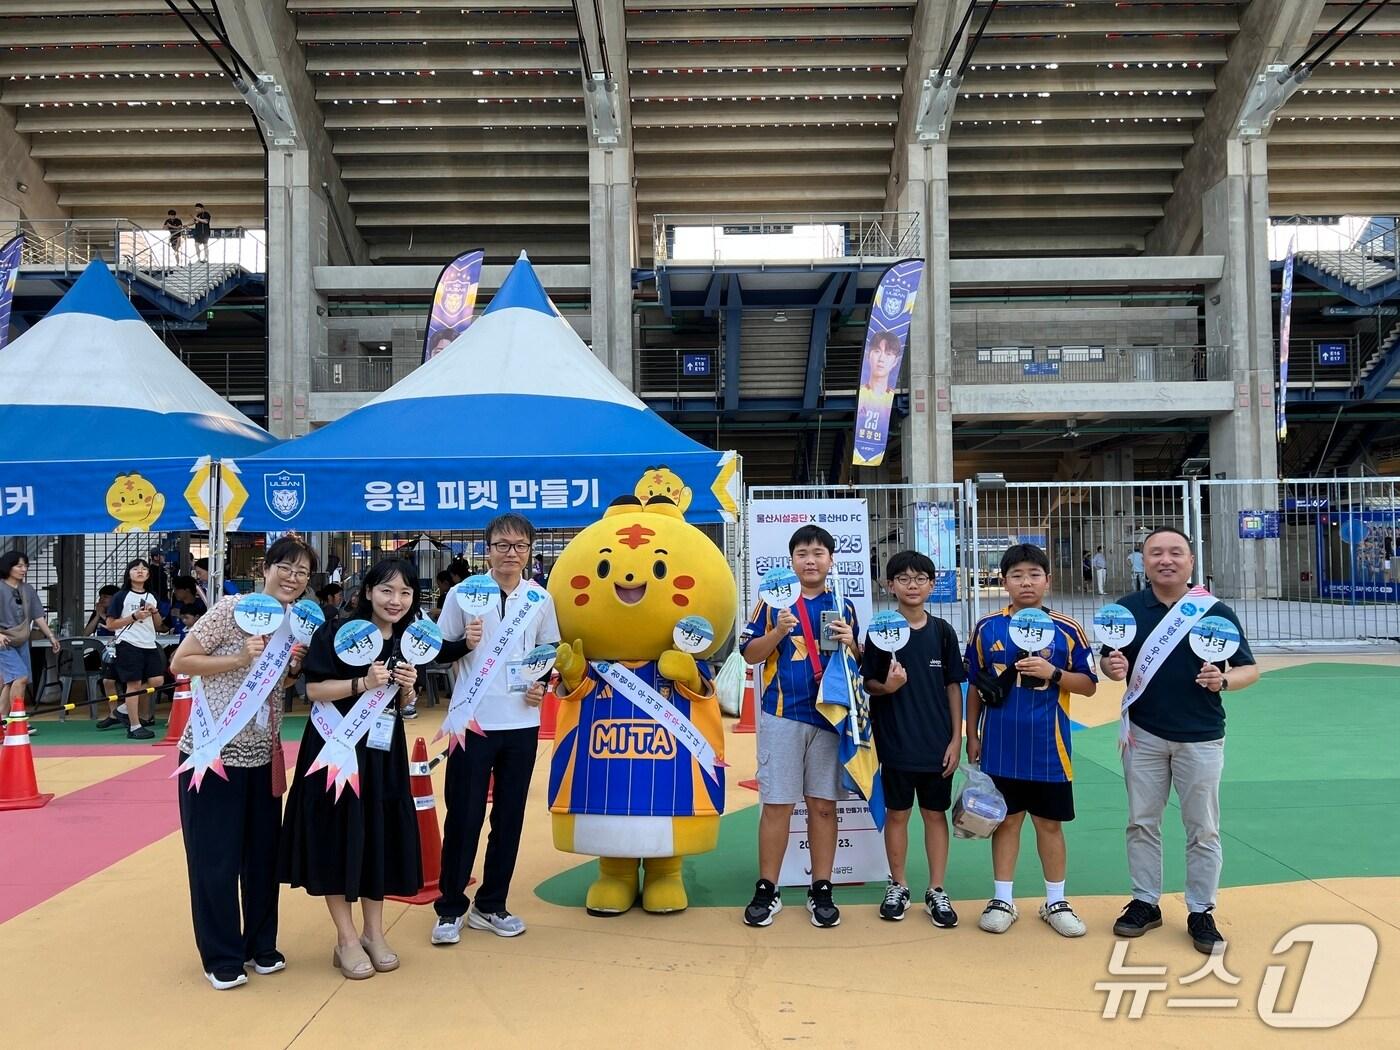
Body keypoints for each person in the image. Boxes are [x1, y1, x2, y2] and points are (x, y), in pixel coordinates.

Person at [279, 558, 451, 979]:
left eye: (406, 592)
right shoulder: (337, 632)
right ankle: (346, 938)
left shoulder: (412, 642)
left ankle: (374, 933)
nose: (396, 600)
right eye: (387, 590)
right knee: (337, 836)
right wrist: (362, 684)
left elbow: (403, 706)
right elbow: (314, 689)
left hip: (381, 754)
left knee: (378, 836)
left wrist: (408, 692)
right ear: (368, 591)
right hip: (334, 750)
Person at [1099, 526, 1259, 955]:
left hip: (1201, 737)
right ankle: (1145, 902)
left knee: (1203, 828)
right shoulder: (1127, 609)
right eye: (1156, 553)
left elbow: (1249, 669)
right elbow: (1109, 662)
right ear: (1143, 561)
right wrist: (1111, 669)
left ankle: (1200, 910)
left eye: (1175, 553)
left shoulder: (1214, 611)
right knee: (1141, 821)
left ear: (1191, 560)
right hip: (1145, 735)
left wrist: (1223, 679)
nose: (1165, 560)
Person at [169, 535, 315, 990]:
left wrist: (292, 669)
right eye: (286, 568)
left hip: (262, 755)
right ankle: (221, 955)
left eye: (303, 573)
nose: (293, 578)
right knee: (215, 858)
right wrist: (237, 656)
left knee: (261, 858)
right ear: (266, 568)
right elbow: (180, 661)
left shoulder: (294, 624)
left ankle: (260, 945)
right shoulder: (230, 610)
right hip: (213, 754)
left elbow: (277, 688)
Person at [431, 513, 560, 944]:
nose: (511, 553)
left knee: (509, 818)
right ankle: (450, 908)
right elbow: (437, 653)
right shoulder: (463, 594)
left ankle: (492, 904)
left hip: (522, 723)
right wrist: (461, 644)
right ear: (487, 549)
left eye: (520, 546)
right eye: (502, 545)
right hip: (472, 723)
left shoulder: (539, 598)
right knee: (464, 817)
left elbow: (550, 652)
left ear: (529, 551)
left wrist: (543, 683)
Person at [965, 543, 1098, 938]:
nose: (1026, 582)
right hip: (999, 746)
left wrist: (1052, 672)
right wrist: (971, 734)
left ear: (1047, 580)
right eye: (1017, 575)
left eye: (1034, 575)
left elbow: (1089, 685)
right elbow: (975, 686)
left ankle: (1055, 900)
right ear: (1003, 581)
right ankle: (1002, 899)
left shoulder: (1067, 629)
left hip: (1049, 747)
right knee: (1005, 822)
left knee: (1049, 825)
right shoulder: (987, 628)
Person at [739, 524, 860, 929]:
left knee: (823, 807)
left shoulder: (843, 603)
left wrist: (852, 642)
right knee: (777, 805)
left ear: (831, 560)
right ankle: (767, 888)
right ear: (791, 561)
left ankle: (821, 888)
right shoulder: (771, 603)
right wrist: (778, 631)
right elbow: (750, 656)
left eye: (818, 553)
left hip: (830, 717)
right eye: (803, 553)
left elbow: (859, 662)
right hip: (781, 715)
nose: (811, 560)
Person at [861, 551, 966, 927]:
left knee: (935, 815)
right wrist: (888, 686)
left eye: (920, 578)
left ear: (932, 585)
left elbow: (954, 686)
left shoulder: (942, 632)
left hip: (938, 745)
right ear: (890, 586)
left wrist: (957, 738)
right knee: (898, 814)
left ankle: (937, 889)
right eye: (903, 578)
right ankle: (899, 885)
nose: (912, 585)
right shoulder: (880, 631)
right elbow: (869, 683)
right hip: (895, 743)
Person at [100, 558, 165, 739]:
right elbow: (111, 624)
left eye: (144, 569)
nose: (140, 571)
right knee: (133, 684)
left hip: (149, 643)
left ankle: (122, 709)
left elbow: (159, 625)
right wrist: (134, 616)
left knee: (157, 680)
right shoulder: (122, 596)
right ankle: (134, 726)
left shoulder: (151, 596)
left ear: (148, 574)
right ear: (128, 574)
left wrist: (154, 612)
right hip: (128, 644)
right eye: (135, 568)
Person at [0, 551, 59, 728]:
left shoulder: (28, 589)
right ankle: (16, 721)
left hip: (22, 640)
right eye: (19, 565)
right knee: (21, 677)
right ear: (8, 567)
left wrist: (51, 636)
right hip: (3, 641)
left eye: (25, 565)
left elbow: (38, 615)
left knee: (12, 681)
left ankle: (3, 720)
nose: (23, 569)